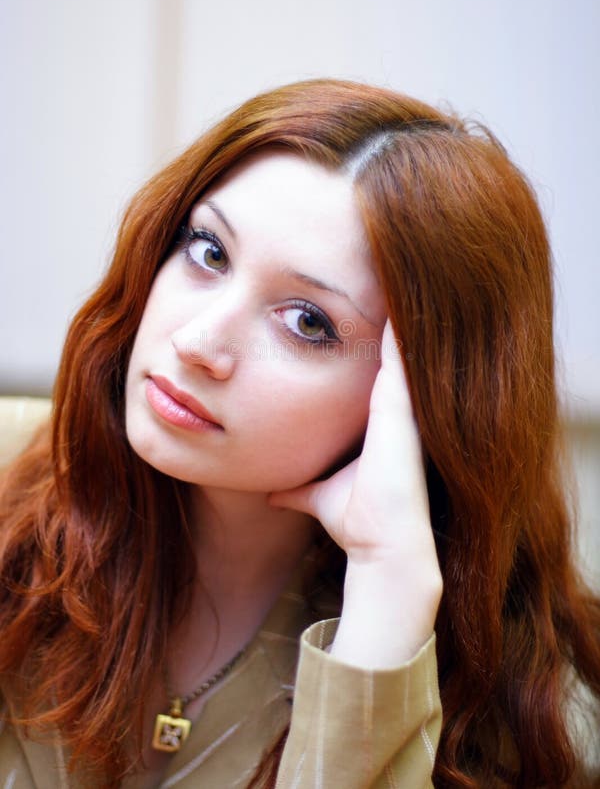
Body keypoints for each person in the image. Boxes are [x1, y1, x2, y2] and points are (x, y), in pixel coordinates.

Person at [0, 79, 598, 788]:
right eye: (208, 252)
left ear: (427, 398)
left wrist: (385, 596)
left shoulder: (500, 688)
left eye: (307, 322)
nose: (197, 341)